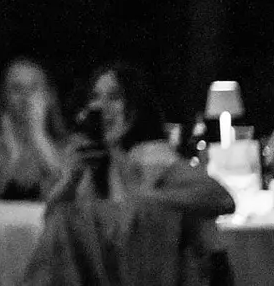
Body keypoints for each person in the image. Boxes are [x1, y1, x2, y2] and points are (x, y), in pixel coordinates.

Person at [22, 62, 234, 286]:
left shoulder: (152, 156)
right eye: (95, 97)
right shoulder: (91, 160)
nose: (102, 107)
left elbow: (222, 199)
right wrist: (72, 178)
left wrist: (146, 200)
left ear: (135, 108)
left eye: (114, 97)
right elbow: (55, 224)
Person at [0, 58, 67, 201]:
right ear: (5, 97)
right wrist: (13, 157)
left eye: (34, 88)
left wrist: (39, 138)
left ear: (48, 96)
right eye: (17, 89)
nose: (26, 97)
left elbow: (71, 199)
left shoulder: (71, 149)